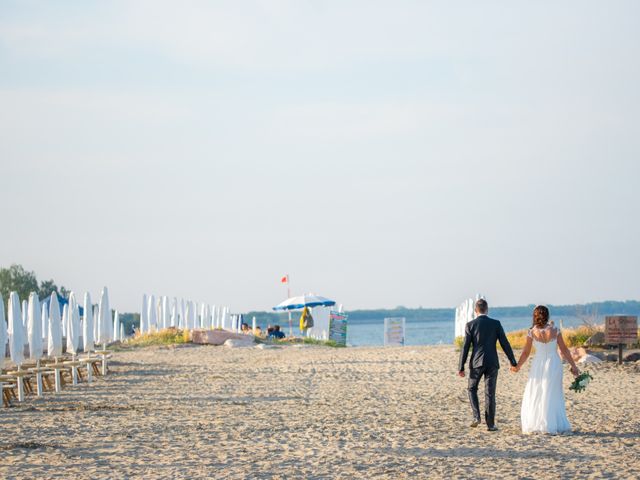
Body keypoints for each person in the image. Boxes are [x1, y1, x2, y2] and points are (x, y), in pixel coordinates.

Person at [512, 305, 580, 434]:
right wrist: (573, 366)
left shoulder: (531, 332)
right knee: (552, 393)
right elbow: (564, 350)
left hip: (538, 363)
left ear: (535, 316)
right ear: (547, 315)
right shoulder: (555, 330)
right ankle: (551, 423)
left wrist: (518, 366)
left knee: (537, 391)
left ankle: (539, 423)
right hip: (554, 363)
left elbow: (526, 352)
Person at [458, 298, 517, 431]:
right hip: (492, 362)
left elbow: (465, 347)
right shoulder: (496, 324)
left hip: (476, 363)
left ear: (475, 311)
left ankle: (476, 416)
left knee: (472, 389)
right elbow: (505, 343)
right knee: (490, 393)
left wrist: (461, 367)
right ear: (487, 309)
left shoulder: (470, 325)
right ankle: (490, 424)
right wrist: (513, 361)